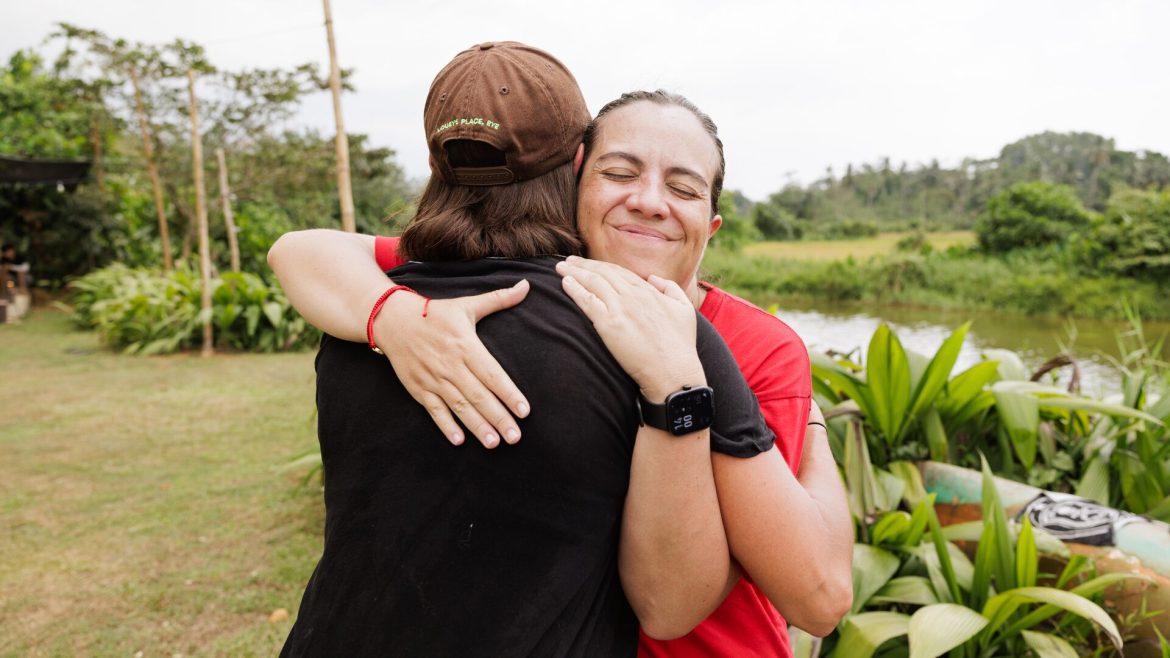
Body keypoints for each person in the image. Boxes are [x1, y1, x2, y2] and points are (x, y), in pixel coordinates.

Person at [271, 87, 854, 656]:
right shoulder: (518, 287)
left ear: (711, 224)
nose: (650, 201)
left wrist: (809, 430)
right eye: (619, 173)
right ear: (574, 186)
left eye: (683, 188)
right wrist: (395, 316)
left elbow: (815, 597)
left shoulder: (755, 347)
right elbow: (304, 251)